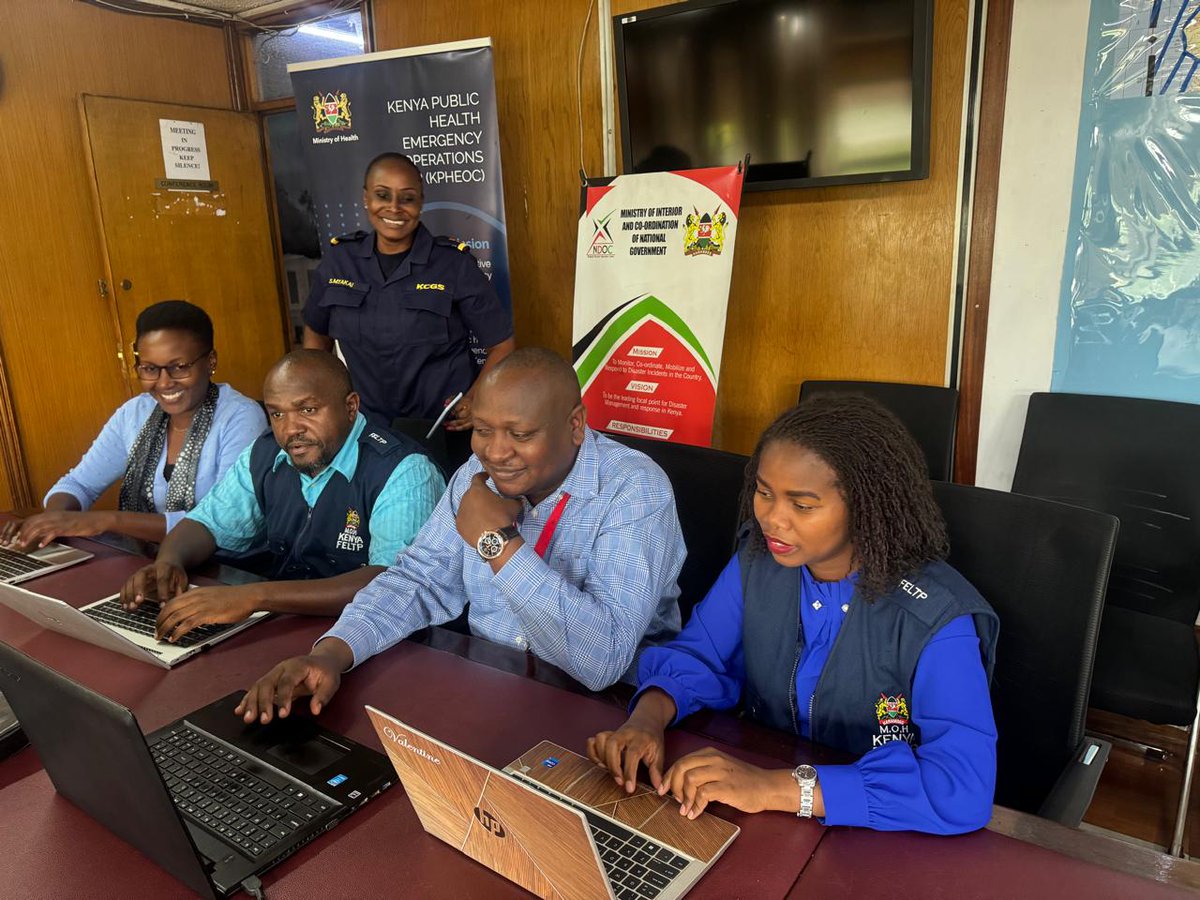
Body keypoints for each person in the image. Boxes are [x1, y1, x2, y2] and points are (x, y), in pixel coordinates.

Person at [587, 396, 999, 836]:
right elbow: (700, 656)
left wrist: (772, 788)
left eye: (801, 505)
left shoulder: (937, 617)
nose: (772, 519)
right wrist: (647, 721)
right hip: (771, 819)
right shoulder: (759, 562)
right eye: (764, 492)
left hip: (882, 831)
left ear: (866, 507)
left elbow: (960, 786)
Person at [235, 347, 686, 724]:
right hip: (492, 686)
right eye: (483, 430)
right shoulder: (477, 473)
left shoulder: (634, 490)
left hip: (611, 713)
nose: (495, 451)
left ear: (575, 425)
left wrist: (497, 543)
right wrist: (332, 653)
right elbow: (419, 580)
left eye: (520, 434)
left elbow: (601, 661)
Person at [118, 350, 445, 642]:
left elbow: (389, 584)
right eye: (277, 414)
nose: (290, 429)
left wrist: (253, 597)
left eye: (308, 410)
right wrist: (169, 562)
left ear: (350, 407)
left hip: (377, 640)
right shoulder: (265, 454)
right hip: (288, 628)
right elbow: (206, 523)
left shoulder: (403, 470)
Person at [0, 300, 265, 550]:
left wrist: (102, 521)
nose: (163, 382)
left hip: (222, 572)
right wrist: (50, 523)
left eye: (179, 367)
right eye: (149, 369)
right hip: (138, 561)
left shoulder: (240, 418)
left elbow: (225, 523)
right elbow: (79, 484)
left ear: (210, 362)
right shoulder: (136, 413)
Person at [302, 151, 515, 429]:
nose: (394, 208)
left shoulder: (453, 264)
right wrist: (323, 396)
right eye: (382, 195)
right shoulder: (340, 261)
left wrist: (478, 398)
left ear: (420, 203)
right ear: (366, 198)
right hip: (365, 431)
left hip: (439, 429)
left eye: (407, 198)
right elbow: (316, 333)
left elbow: (502, 345)